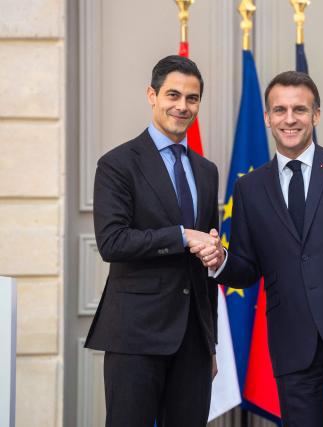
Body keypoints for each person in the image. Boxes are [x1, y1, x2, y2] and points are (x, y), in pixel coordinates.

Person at [194, 71, 323, 426]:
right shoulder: (249, 189)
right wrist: (221, 260)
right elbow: (247, 268)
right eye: (280, 110)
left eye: (300, 110)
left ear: (316, 115)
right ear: (267, 118)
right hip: (293, 344)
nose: (290, 119)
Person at [85, 55, 225, 427]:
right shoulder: (117, 164)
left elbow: (204, 264)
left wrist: (209, 343)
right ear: (152, 94)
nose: (182, 106)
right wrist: (181, 236)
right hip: (135, 336)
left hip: (193, 342)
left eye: (192, 98)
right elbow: (112, 242)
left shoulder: (206, 171)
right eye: (173, 95)